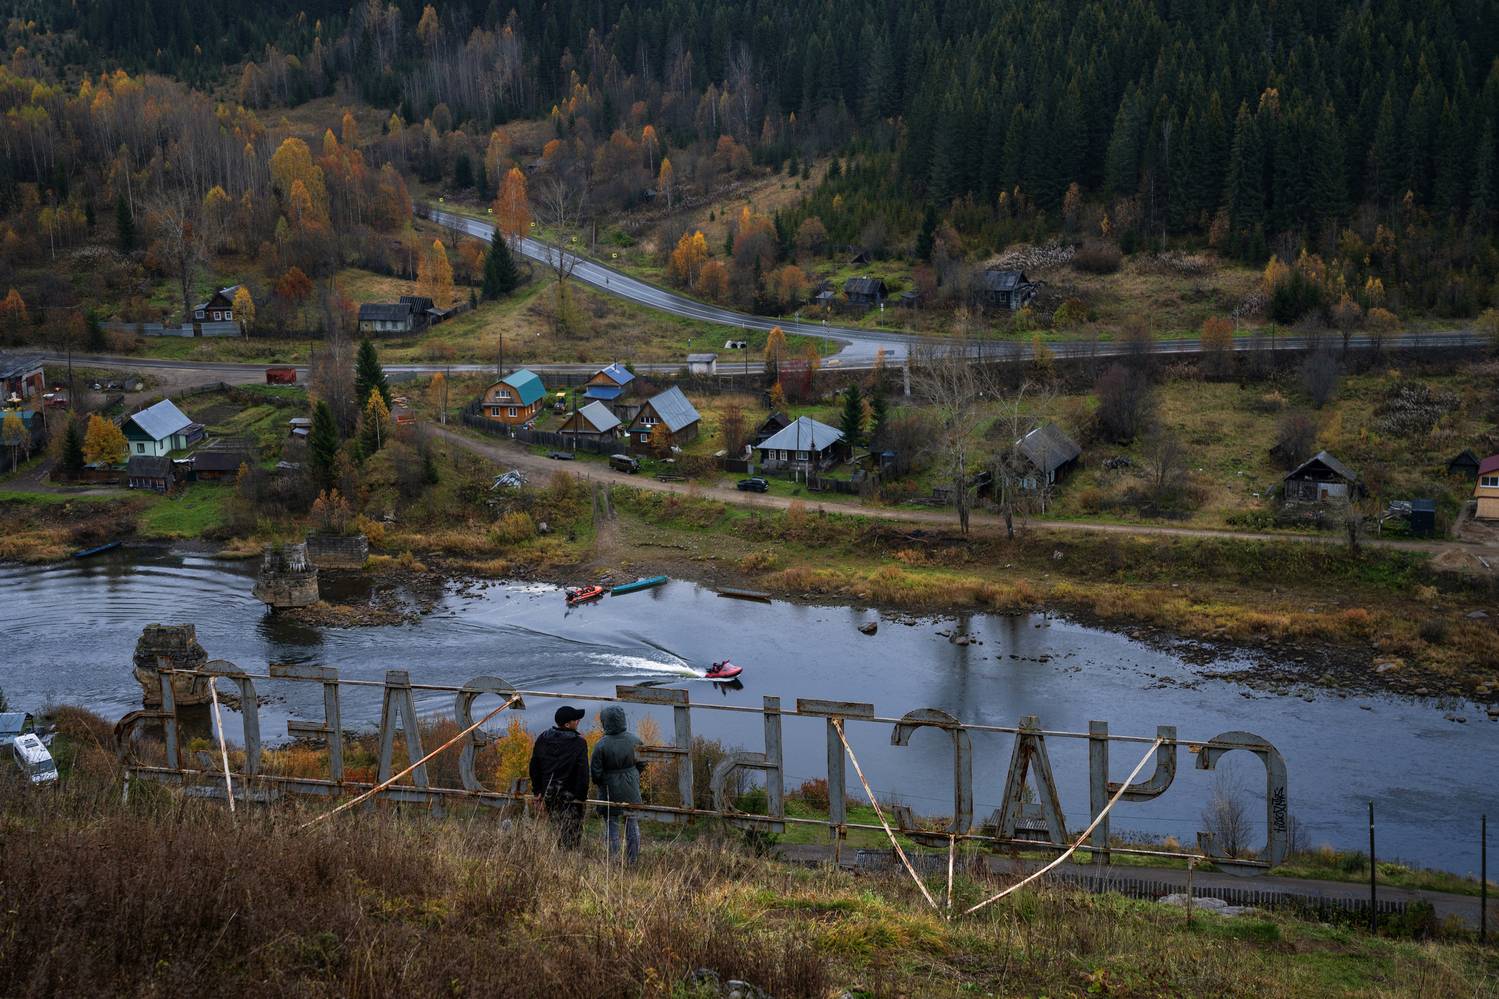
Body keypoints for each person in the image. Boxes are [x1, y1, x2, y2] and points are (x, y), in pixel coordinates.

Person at [591, 705, 646, 864]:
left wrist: (602, 782)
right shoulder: (635, 741)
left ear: (605, 722)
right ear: (622, 719)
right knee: (632, 824)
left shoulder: (601, 744)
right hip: (631, 787)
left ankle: (613, 863)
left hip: (609, 789)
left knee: (612, 826)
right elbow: (642, 763)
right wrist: (633, 775)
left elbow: (595, 772)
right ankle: (633, 861)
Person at [528, 705, 590, 848]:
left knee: (557, 828)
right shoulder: (579, 742)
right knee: (572, 835)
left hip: (549, 794)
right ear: (567, 724)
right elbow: (583, 773)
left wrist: (537, 791)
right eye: (576, 720)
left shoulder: (543, 738)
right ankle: (568, 864)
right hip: (571, 797)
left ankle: (558, 863)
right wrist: (581, 798)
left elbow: (534, 766)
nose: (578, 721)